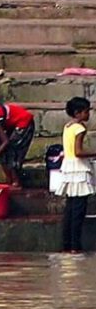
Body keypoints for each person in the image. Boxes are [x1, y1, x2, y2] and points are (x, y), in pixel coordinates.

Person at [56, 97, 96, 253]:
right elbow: (78, 152)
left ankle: (67, 245)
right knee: (78, 210)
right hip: (78, 170)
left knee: (70, 209)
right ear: (78, 113)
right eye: (87, 111)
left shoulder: (68, 126)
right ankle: (75, 246)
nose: (89, 114)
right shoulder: (80, 128)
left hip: (69, 168)